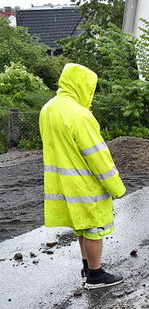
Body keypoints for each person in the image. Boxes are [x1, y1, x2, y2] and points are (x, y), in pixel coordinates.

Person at [39, 63, 126, 289]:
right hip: (84, 182)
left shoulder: (48, 108)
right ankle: (95, 276)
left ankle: (87, 267)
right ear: (82, 86)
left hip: (61, 181)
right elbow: (97, 155)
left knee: (81, 226)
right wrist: (116, 187)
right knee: (94, 227)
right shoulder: (79, 115)